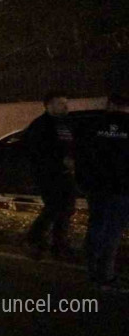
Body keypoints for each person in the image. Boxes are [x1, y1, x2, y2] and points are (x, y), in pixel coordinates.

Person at [76, 93, 129, 291]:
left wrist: (83, 182)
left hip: (97, 188)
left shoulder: (93, 125)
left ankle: (91, 271)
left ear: (110, 105)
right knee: (114, 231)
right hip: (123, 189)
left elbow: (82, 156)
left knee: (97, 225)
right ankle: (106, 274)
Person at [24, 91, 77, 260]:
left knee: (66, 209)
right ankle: (34, 238)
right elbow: (37, 152)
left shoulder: (65, 124)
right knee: (54, 208)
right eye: (61, 103)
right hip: (48, 176)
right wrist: (61, 161)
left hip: (66, 175)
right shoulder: (40, 125)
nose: (65, 106)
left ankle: (58, 244)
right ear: (48, 105)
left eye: (66, 102)